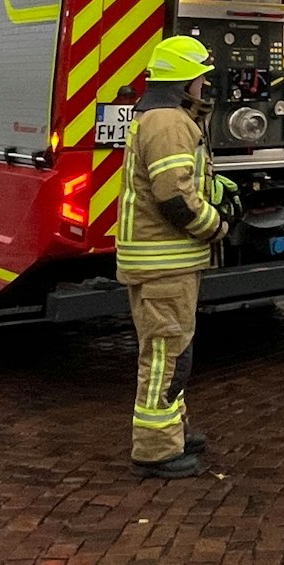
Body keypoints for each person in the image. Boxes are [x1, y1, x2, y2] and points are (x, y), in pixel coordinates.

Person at [119, 35, 232, 479]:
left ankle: (173, 430)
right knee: (168, 355)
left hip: (161, 260)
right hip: (164, 261)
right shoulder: (169, 123)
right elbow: (174, 199)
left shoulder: (161, 118)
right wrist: (216, 225)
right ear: (186, 83)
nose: (205, 86)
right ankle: (155, 449)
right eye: (201, 79)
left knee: (172, 349)